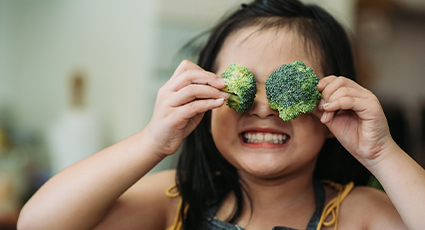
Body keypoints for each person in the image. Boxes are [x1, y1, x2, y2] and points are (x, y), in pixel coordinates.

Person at [17, 0, 425, 229]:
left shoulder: (360, 214)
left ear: (334, 108)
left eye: (288, 88)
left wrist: (380, 153)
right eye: (240, 88)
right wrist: (150, 141)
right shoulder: (173, 203)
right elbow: (37, 224)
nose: (264, 106)